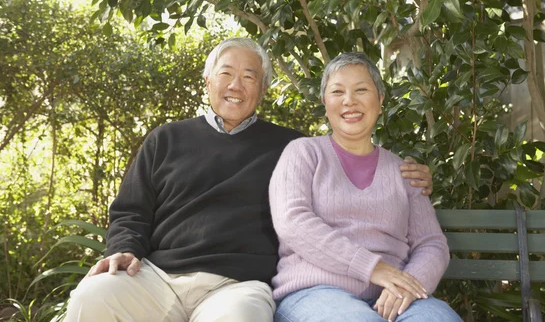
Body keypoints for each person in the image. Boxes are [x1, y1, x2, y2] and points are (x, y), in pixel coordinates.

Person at [64, 39, 435, 322]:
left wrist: (411, 175)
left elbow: (351, 160)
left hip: (236, 286)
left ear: (263, 88)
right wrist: (124, 247)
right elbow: (131, 209)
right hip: (158, 276)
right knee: (91, 297)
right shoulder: (166, 138)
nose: (236, 85)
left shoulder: (292, 147)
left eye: (249, 76)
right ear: (207, 79)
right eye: (226, 73)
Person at [269, 52, 461, 322]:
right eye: (337, 91)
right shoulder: (303, 153)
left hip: (393, 295)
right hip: (315, 292)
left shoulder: (404, 171)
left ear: (380, 100)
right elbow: (292, 221)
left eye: (361, 89)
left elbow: (431, 243)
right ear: (325, 102)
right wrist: (373, 268)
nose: (349, 100)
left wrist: (408, 283)